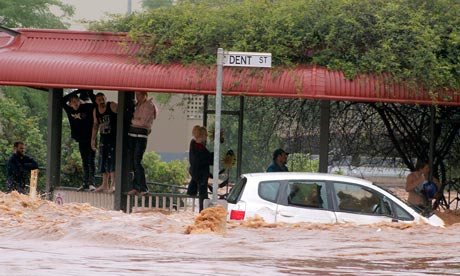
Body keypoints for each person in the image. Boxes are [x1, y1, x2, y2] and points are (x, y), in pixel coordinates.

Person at [62, 89, 97, 192]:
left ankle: (92, 183)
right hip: (80, 139)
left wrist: (85, 89)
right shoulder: (70, 110)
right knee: (84, 160)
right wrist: (76, 91)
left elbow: (95, 102)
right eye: (72, 102)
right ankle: (85, 182)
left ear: (79, 101)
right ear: (70, 104)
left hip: (90, 137)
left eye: (76, 101)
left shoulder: (86, 107)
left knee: (91, 160)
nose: (75, 104)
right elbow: (61, 100)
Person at [127, 91, 158, 196]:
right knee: (132, 161)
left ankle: (143, 187)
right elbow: (138, 119)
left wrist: (132, 121)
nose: (137, 97)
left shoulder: (149, 105)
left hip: (140, 135)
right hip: (132, 134)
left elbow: (143, 122)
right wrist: (135, 119)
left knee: (137, 161)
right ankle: (135, 186)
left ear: (145, 95)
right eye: (136, 95)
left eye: (139, 95)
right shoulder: (137, 105)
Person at [91, 93, 118, 193]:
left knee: (112, 160)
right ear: (96, 101)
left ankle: (113, 184)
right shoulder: (96, 111)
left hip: (113, 138)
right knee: (102, 160)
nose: (101, 101)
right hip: (103, 138)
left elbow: (124, 111)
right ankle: (104, 184)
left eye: (102, 99)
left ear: (106, 98)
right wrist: (92, 140)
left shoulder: (112, 105)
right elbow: (95, 125)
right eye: (98, 99)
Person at [189, 126, 213, 212]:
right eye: (206, 135)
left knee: (195, 192)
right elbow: (209, 159)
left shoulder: (194, 145)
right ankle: (203, 212)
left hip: (196, 174)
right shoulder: (199, 148)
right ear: (201, 135)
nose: (207, 137)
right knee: (203, 196)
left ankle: (202, 211)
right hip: (201, 176)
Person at [186, 125, 201, 196]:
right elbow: (195, 156)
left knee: (195, 181)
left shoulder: (194, 142)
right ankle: (191, 192)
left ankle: (192, 192)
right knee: (195, 181)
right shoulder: (194, 142)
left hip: (194, 167)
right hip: (195, 167)